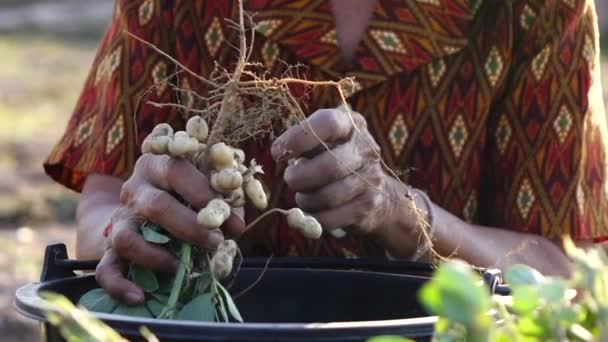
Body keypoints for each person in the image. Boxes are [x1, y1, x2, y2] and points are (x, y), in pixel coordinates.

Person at [44, 0, 607, 305]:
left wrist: (405, 216)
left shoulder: (538, 12)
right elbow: (98, 218)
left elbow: (570, 272)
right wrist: (136, 222)